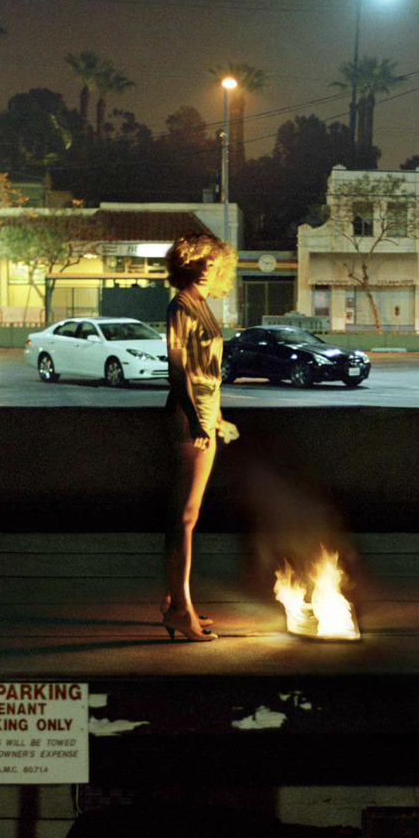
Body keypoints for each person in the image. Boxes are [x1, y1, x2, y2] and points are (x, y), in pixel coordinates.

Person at [161, 233, 239, 642]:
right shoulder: (181, 306)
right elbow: (179, 371)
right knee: (185, 517)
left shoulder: (202, 305)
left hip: (204, 415)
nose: (208, 265)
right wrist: (196, 421)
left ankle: (178, 600)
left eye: (212, 259)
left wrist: (217, 418)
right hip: (189, 418)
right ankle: (178, 608)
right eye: (200, 260)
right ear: (186, 264)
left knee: (187, 515)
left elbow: (207, 371)